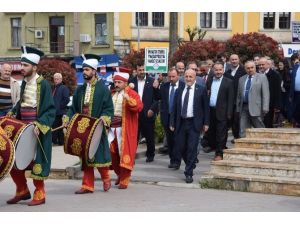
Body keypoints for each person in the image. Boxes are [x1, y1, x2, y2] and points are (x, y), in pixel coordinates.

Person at [6, 46, 56, 206]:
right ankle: (22, 190)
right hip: (22, 128)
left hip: (37, 128)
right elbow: (22, 103)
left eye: (25, 65)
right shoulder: (23, 84)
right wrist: (13, 112)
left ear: (34, 67)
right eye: (21, 65)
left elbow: (50, 109)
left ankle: (40, 194)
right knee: (13, 159)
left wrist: (40, 123)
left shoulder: (44, 85)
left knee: (37, 162)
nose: (22, 68)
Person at [63, 54, 113, 194]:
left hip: (97, 128)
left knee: (100, 157)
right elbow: (73, 108)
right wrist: (67, 118)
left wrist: (104, 118)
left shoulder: (103, 89)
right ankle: (87, 185)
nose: (84, 72)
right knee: (86, 158)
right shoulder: (80, 89)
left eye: (87, 70)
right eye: (83, 69)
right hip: (83, 130)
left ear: (94, 71)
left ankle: (106, 178)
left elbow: (108, 108)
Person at [170, 69, 209, 183]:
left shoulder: (201, 90)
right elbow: (174, 108)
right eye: (186, 76)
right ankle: (190, 164)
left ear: (195, 78)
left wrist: (206, 123)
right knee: (181, 147)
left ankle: (189, 173)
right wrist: (172, 122)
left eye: (190, 77)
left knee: (192, 148)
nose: (188, 79)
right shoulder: (179, 90)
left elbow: (206, 108)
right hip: (181, 123)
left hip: (194, 123)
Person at [108, 72, 143, 189]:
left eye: (119, 82)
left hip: (125, 129)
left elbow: (139, 107)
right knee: (112, 152)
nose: (116, 84)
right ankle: (119, 174)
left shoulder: (132, 94)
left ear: (125, 83)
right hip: (111, 129)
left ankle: (125, 178)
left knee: (124, 153)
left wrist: (128, 99)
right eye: (115, 82)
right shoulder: (112, 93)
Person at [154, 68, 185, 168]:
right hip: (166, 116)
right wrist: (156, 87)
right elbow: (158, 97)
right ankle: (172, 160)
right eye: (169, 76)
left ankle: (177, 160)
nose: (171, 79)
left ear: (178, 76)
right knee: (170, 140)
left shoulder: (183, 86)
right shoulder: (164, 86)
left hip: (178, 117)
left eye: (173, 76)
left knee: (178, 139)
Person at [206, 63, 234, 161]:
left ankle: (219, 153)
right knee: (212, 132)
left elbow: (231, 99)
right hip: (211, 111)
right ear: (213, 70)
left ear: (223, 70)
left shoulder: (229, 82)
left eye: (220, 70)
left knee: (221, 134)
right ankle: (216, 148)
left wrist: (229, 113)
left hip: (223, 112)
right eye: (216, 70)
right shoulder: (209, 81)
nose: (218, 72)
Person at [131, 64, 158, 162]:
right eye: (139, 70)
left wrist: (152, 109)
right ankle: (131, 156)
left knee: (149, 135)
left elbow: (156, 98)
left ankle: (150, 154)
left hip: (148, 113)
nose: (141, 71)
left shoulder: (152, 82)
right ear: (136, 70)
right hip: (135, 114)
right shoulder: (131, 81)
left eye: (143, 70)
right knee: (134, 136)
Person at [236, 61, 269, 138]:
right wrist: (237, 108)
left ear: (255, 67)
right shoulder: (241, 79)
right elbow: (238, 95)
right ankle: (244, 146)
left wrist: (265, 107)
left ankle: (263, 143)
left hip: (256, 107)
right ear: (245, 69)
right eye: (248, 68)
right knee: (243, 128)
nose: (250, 69)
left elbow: (266, 94)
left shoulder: (262, 77)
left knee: (260, 128)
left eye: (252, 67)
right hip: (243, 107)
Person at [224, 54, 246, 141]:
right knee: (230, 120)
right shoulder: (227, 73)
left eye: (235, 59)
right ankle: (235, 136)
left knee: (238, 120)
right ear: (229, 61)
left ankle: (238, 136)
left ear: (239, 60)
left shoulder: (243, 72)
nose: (234, 61)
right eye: (232, 59)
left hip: (239, 101)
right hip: (228, 101)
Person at [259, 58, 282, 128]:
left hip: (270, 104)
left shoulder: (275, 75)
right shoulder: (257, 74)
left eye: (263, 64)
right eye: (260, 65)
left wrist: (277, 105)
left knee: (268, 123)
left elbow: (277, 91)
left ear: (268, 65)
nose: (261, 66)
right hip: (259, 103)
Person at [52, 72, 70, 145]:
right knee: (54, 126)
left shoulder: (64, 88)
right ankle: (55, 141)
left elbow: (67, 99)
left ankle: (61, 142)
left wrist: (60, 107)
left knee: (60, 128)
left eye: (57, 79)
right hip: (53, 112)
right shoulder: (53, 88)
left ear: (61, 79)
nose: (56, 80)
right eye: (55, 79)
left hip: (61, 112)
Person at [289, 53, 300, 127]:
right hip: (296, 93)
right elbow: (293, 81)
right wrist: (291, 94)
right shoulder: (296, 67)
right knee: (295, 110)